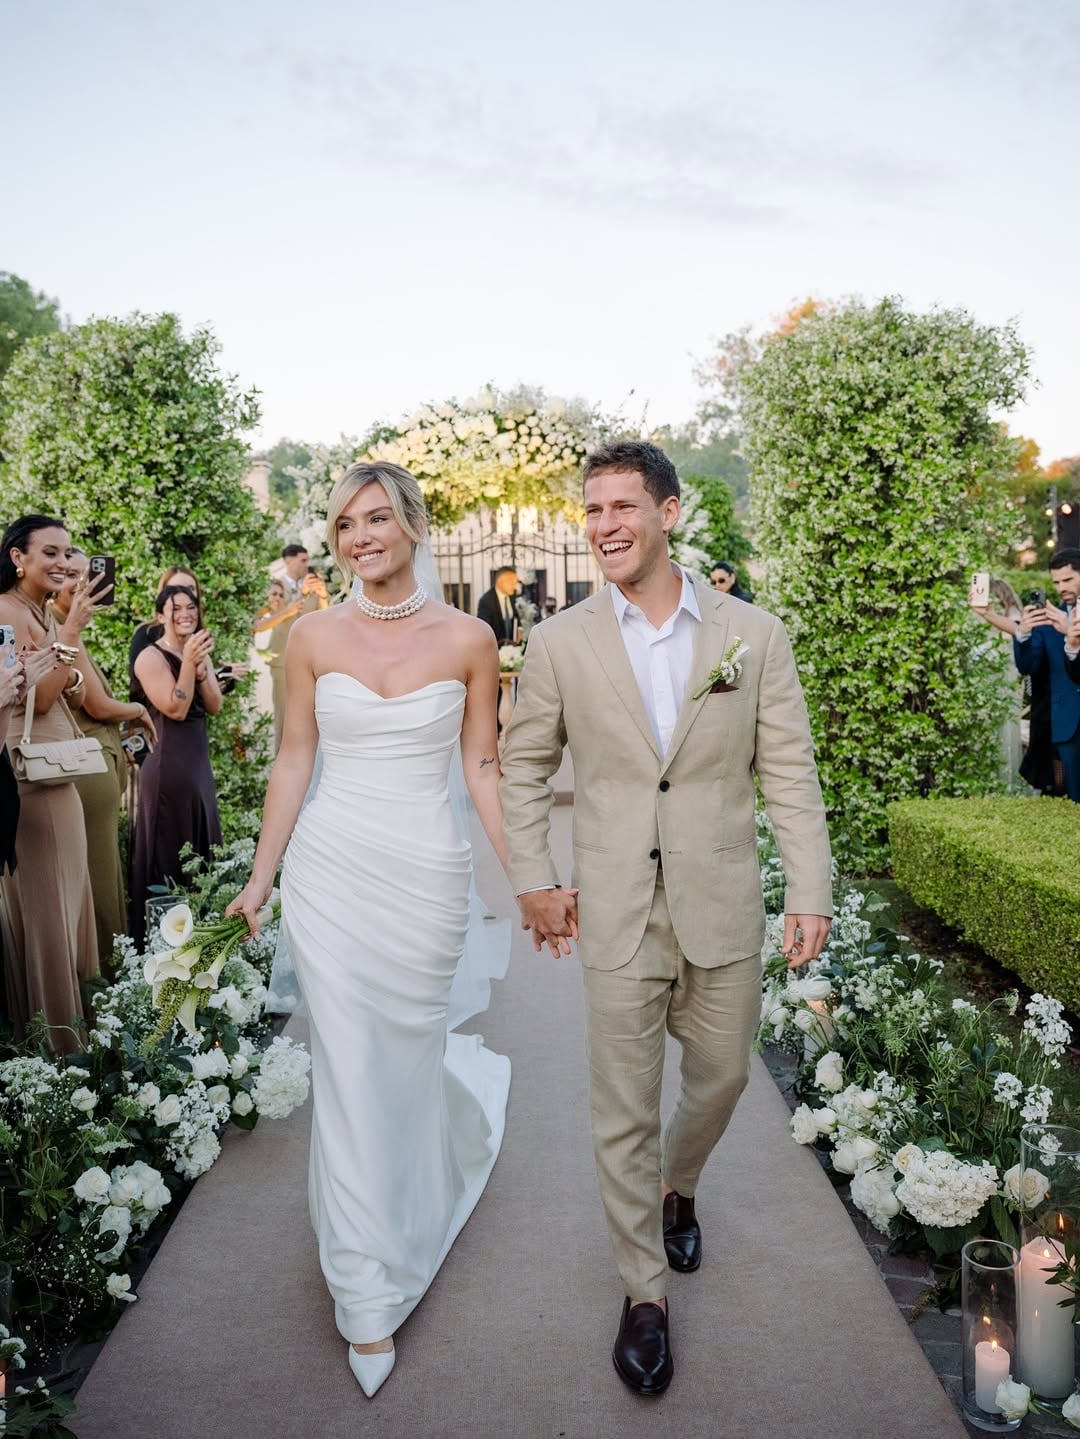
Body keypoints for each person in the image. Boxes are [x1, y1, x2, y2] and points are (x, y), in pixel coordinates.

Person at [500, 440, 833, 1396]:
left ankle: (678, 1184)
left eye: (622, 508)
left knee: (724, 1075)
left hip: (720, 896)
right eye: (593, 509)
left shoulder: (751, 635)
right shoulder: (562, 643)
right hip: (613, 907)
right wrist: (534, 873)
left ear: (670, 512)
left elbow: (790, 774)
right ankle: (644, 1293)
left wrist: (808, 884)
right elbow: (524, 767)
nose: (604, 525)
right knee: (621, 1109)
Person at [227, 462, 513, 1398]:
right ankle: (365, 1291)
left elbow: (482, 767)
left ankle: (418, 1193)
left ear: (413, 526)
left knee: (406, 1056)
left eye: (377, 519)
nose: (360, 537)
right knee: (347, 1068)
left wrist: (534, 877)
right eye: (346, 523)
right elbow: (292, 760)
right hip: (331, 873)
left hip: (426, 876)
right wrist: (262, 877)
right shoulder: (308, 635)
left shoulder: (472, 640)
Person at [0, 515, 107, 1053]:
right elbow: (39, 699)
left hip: (57, 768)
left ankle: (68, 1031)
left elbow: (70, 689)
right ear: (18, 557)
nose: (65, 562)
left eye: (69, 553)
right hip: (33, 777)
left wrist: (64, 637)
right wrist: (71, 632)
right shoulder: (6, 612)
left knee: (67, 900)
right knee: (48, 909)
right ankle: (57, 1046)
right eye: (51, 553)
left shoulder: (36, 611)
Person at [52, 552, 157, 970]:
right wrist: (138, 711)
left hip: (101, 762)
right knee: (96, 883)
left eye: (86, 575)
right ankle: (105, 981)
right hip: (85, 768)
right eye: (71, 576)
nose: (83, 585)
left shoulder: (68, 632)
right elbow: (95, 704)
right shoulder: (63, 633)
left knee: (106, 877)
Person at [129, 584, 223, 945]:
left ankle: (201, 938)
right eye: (176, 608)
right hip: (168, 766)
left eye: (191, 607)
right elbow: (175, 707)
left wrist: (200, 668)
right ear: (160, 615)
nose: (186, 614)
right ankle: (162, 945)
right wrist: (187, 663)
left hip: (197, 766)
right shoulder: (150, 658)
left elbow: (214, 705)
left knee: (200, 853)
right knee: (170, 855)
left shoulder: (196, 650)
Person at [1013, 549, 1080, 802]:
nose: (1061, 587)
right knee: (1074, 805)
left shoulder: (1061, 622)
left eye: (1068, 580)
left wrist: (1070, 633)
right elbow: (1027, 665)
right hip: (1067, 726)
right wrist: (1024, 634)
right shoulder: (1047, 622)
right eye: (1056, 582)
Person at [267, 546, 329, 751]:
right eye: (303, 560)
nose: (307, 564)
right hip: (282, 661)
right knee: (284, 718)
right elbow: (278, 620)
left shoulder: (312, 584)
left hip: (311, 663)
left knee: (311, 718)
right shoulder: (275, 587)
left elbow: (326, 618)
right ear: (288, 561)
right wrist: (298, 598)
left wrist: (322, 595)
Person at [477, 566, 520, 645]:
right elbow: (484, 630)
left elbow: (516, 619)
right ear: (500, 581)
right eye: (512, 582)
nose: (515, 586)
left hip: (513, 649)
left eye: (516, 582)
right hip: (495, 649)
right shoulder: (486, 601)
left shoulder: (513, 596)